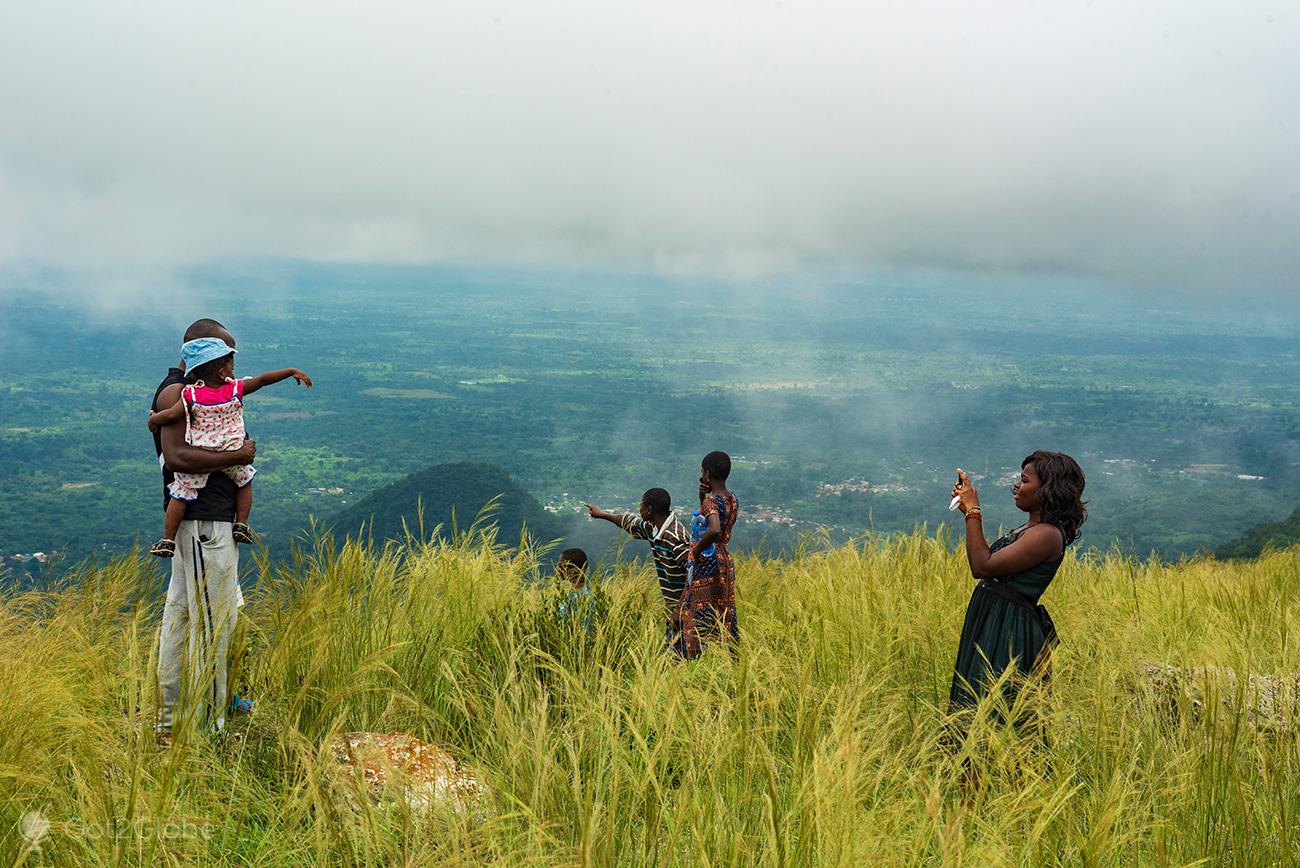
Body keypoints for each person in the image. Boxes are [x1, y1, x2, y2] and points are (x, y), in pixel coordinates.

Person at [151, 319, 256, 740]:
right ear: (204, 354)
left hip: (204, 526)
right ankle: (211, 729)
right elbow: (176, 457)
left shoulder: (189, 390)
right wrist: (238, 454)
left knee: (181, 619)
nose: (228, 368)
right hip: (204, 526)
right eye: (224, 357)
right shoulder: (177, 393)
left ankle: (170, 723)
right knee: (215, 625)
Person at [947, 451, 1087, 725]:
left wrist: (973, 512)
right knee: (976, 711)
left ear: (1048, 489)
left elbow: (982, 566)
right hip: (995, 623)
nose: (1017, 486)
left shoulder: (1046, 534)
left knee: (992, 716)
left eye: (1024, 480)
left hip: (1008, 632)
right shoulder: (1031, 527)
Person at [147, 338, 312, 558]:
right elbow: (262, 380)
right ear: (220, 372)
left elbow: (171, 415)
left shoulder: (191, 395)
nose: (234, 362)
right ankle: (242, 523)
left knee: (181, 494)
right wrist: (290, 371)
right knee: (244, 481)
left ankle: (168, 539)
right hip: (233, 453)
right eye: (230, 360)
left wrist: (154, 419)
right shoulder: (234, 389)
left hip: (203, 455)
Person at [584, 488, 691, 652]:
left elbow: (695, 574)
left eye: (641, 506)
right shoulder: (654, 528)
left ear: (649, 510)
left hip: (687, 608)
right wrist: (602, 514)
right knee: (674, 656)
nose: (639, 510)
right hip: (673, 607)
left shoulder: (675, 537)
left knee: (682, 656)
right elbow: (630, 522)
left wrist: (679, 609)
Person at [678, 451, 741, 658]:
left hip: (707, 560)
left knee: (695, 609)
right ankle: (733, 658)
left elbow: (712, 529)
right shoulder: (732, 498)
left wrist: (696, 550)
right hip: (724, 559)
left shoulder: (711, 502)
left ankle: (692, 656)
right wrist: (701, 498)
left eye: (702, 471)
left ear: (708, 474)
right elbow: (710, 524)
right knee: (724, 608)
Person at [555, 548, 594, 632]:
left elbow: (585, 632)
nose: (557, 568)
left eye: (560, 565)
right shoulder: (578, 594)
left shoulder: (582, 598)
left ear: (571, 568)